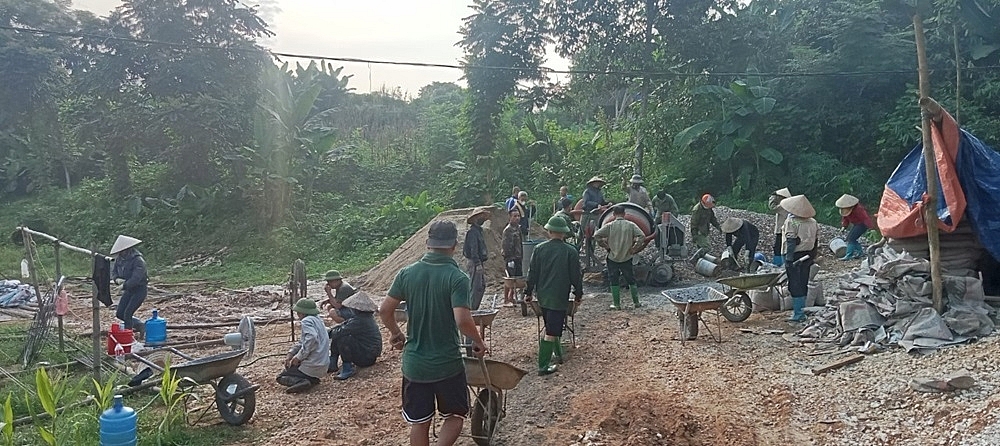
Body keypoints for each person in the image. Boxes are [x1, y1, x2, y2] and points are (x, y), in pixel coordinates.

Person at [378, 220, 488, 446]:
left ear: (428, 243)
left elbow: (385, 310)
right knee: (455, 416)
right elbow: (463, 320)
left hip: (414, 365)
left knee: (420, 422)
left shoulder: (406, 273)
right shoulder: (457, 278)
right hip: (446, 363)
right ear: (454, 245)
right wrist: (478, 341)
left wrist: (396, 334)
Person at [525, 216, 583, 375]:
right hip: (559, 297)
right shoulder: (570, 251)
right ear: (564, 233)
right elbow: (576, 276)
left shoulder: (539, 249)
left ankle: (558, 355)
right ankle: (543, 366)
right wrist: (578, 294)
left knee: (551, 325)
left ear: (549, 231)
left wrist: (528, 292)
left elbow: (532, 273)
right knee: (551, 331)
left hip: (543, 296)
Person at [594, 206, 645, 310]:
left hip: (612, 257)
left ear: (613, 214)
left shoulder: (610, 226)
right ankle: (636, 303)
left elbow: (596, 235)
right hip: (627, 257)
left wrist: (604, 245)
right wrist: (634, 248)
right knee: (631, 279)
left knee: (614, 279)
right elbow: (642, 236)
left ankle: (616, 304)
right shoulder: (631, 225)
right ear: (624, 214)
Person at [277, 298, 331, 393]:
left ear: (302, 312)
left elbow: (311, 338)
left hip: (313, 364)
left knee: (280, 377)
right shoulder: (318, 320)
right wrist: (291, 353)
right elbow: (303, 341)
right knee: (294, 367)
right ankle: (311, 379)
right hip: (323, 364)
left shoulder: (306, 321)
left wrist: (299, 357)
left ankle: (302, 381)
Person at [780, 195, 819, 322]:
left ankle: (798, 313)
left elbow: (791, 241)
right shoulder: (812, 222)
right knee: (803, 282)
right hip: (808, 254)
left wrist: (789, 260)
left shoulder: (792, 221)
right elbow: (816, 240)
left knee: (794, 284)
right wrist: (813, 255)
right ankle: (802, 310)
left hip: (795, 255)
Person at [327, 292, 382, 380]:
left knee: (343, 337)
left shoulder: (360, 321)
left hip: (367, 356)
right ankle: (332, 363)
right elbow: (343, 326)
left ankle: (347, 368)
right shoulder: (363, 318)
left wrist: (327, 333)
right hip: (368, 352)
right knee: (339, 334)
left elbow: (340, 331)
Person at [110, 235, 149, 337]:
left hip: (139, 290)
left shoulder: (138, 260)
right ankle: (139, 324)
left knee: (128, 313)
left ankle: (128, 335)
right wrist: (117, 279)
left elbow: (137, 278)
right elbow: (114, 272)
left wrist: (124, 286)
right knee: (120, 313)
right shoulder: (120, 259)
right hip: (128, 289)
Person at [463, 206, 491, 311]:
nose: (483, 219)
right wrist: (478, 263)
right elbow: (473, 250)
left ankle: (474, 308)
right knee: (476, 287)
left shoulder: (478, 231)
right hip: (474, 263)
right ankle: (472, 310)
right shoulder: (472, 233)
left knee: (481, 286)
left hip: (478, 262)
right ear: (475, 218)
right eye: (481, 217)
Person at [835, 194, 874, 260]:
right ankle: (860, 252)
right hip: (856, 224)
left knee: (851, 239)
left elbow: (865, 218)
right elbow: (845, 219)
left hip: (862, 224)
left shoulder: (858, 209)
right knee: (850, 238)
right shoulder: (845, 210)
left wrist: (869, 226)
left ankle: (849, 255)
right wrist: (844, 227)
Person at [580, 176, 611, 254]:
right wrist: (596, 204)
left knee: (594, 233)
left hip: (596, 215)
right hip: (587, 214)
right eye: (596, 183)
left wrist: (607, 203)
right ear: (593, 183)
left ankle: (591, 251)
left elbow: (602, 202)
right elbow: (586, 203)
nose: (597, 184)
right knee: (582, 231)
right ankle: (578, 247)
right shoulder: (587, 192)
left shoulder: (599, 192)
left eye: (598, 183)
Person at [501, 209, 523, 308]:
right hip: (510, 258)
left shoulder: (518, 228)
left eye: (518, 216)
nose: (517, 218)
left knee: (517, 279)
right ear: (510, 217)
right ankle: (506, 299)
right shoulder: (508, 230)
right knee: (509, 279)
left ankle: (512, 297)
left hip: (518, 257)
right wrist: (509, 258)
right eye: (515, 216)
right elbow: (505, 246)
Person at [768, 188, 792, 266]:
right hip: (788, 228)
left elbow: (772, 207)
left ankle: (779, 263)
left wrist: (773, 197)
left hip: (784, 229)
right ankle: (782, 262)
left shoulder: (783, 205)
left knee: (779, 247)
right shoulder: (788, 204)